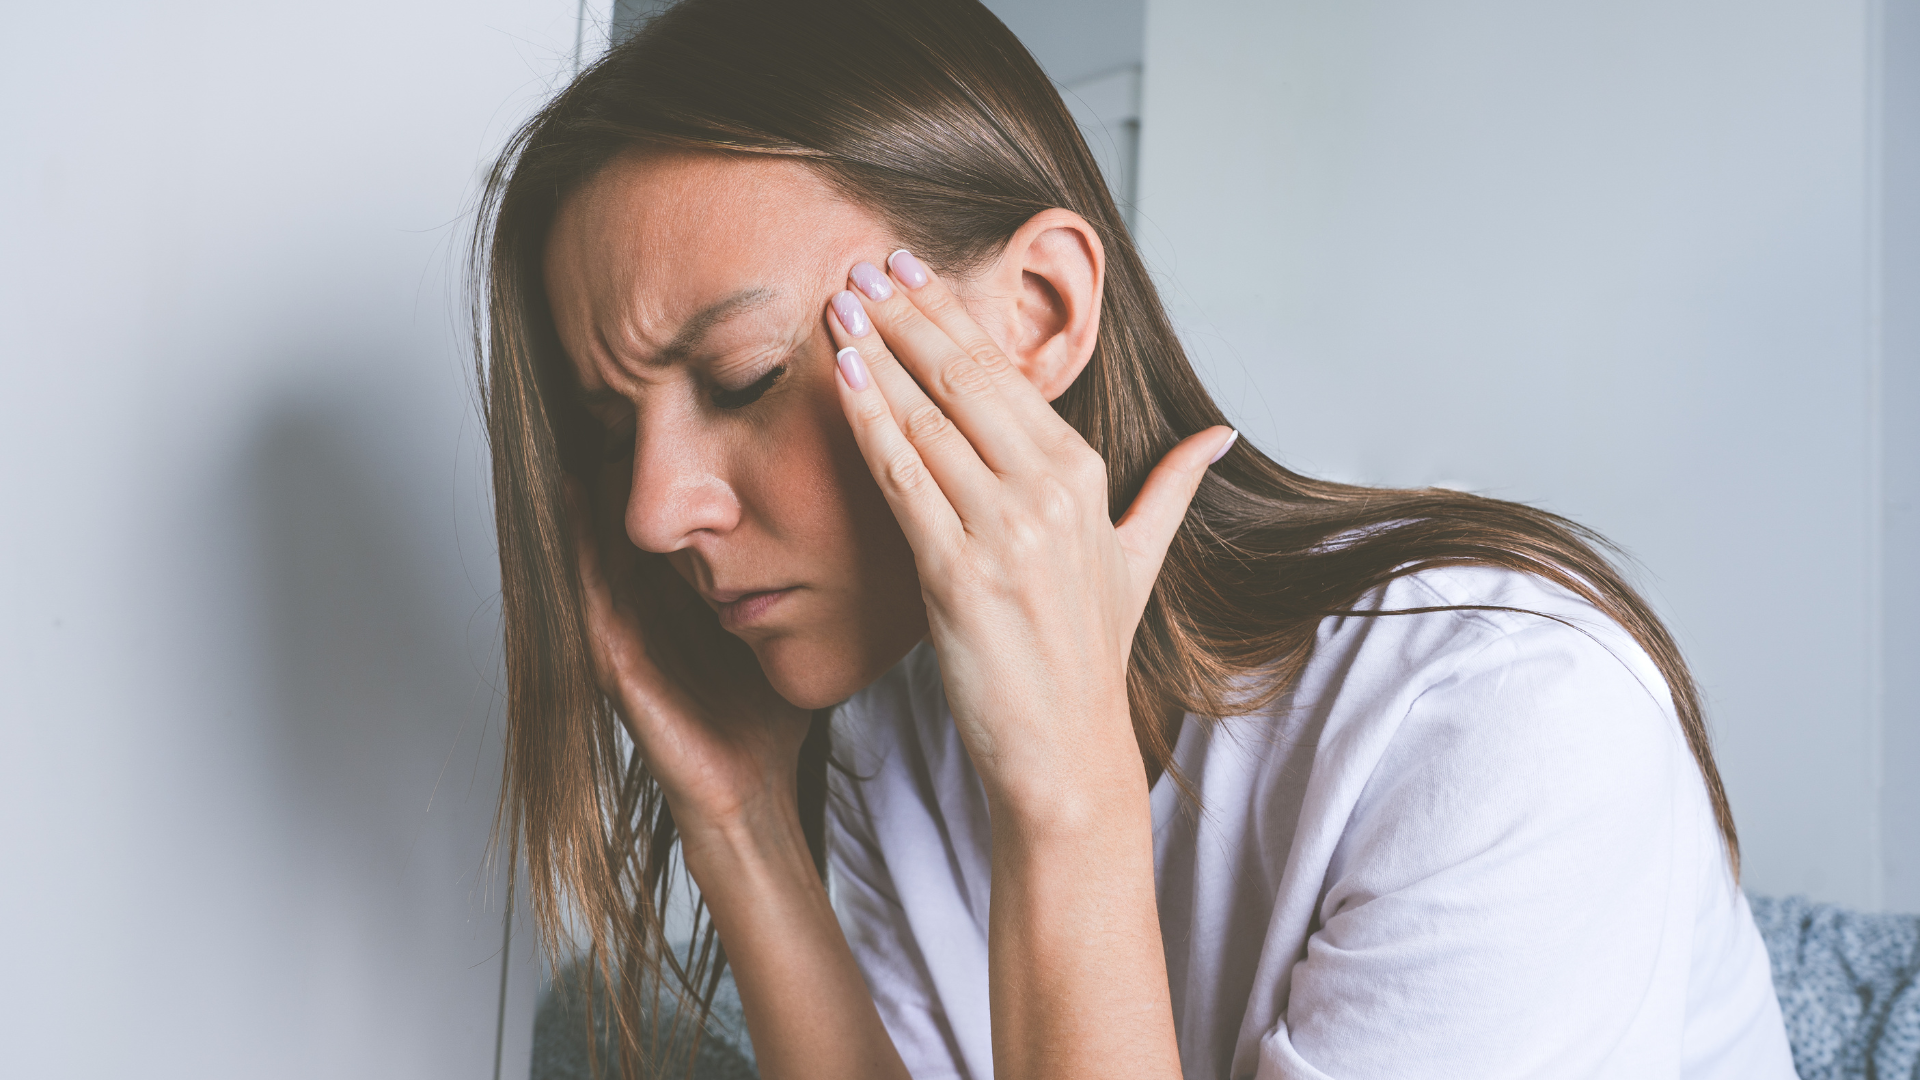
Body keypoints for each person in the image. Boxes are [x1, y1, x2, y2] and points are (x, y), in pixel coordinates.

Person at [474, 0, 1795, 1076]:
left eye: (747, 375)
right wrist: (742, 822)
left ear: (1038, 314)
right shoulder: (904, 718)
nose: (653, 512)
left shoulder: (1510, 720)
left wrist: (1067, 796)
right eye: (608, 434)